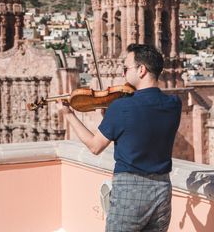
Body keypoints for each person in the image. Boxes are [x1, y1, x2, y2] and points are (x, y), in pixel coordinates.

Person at [58, 43, 182, 232]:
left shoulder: (121, 107)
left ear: (141, 70)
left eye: (126, 68)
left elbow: (95, 146)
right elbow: (142, 126)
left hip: (130, 189)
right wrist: (111, 117)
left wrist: (69, 115)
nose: (123, 73)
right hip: (163, 189)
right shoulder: (174, 104)